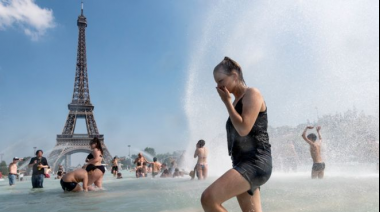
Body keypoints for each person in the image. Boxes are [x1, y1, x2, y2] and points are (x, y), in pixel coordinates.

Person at [202, 57, 273, 212]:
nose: (218, 86)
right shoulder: (235, 102)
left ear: (234, 76)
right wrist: (229, 103)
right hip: (241, 163)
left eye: (221, 80)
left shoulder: (252, 93)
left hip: (255, 162)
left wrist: (227, 102)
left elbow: (243, 128)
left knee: (208, 199)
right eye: (216, 83)